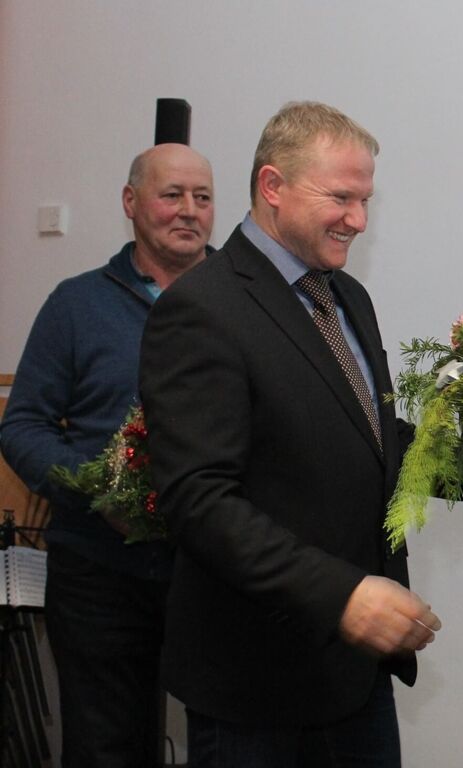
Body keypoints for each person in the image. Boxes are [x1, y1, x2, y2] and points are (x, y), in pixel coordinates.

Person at [138, 101, 463, 767]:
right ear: (273, 186)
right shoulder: (201, 309)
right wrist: (343, 596)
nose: (358, 219)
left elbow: (373, 437)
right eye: (341, 198)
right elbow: (199, 501)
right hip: (255, 685)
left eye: (365, 200)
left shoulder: (346, 297)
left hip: (353, 676)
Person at [0, 143, 215, 766]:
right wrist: (95, 492)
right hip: (98, 571)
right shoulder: (77, 304)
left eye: (202, 197)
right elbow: (24, 426)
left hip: (213, 570)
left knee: (228, 741)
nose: (189, 210)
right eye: (171, 194)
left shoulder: (242, 302)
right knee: (104, 749)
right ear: (131, 202)